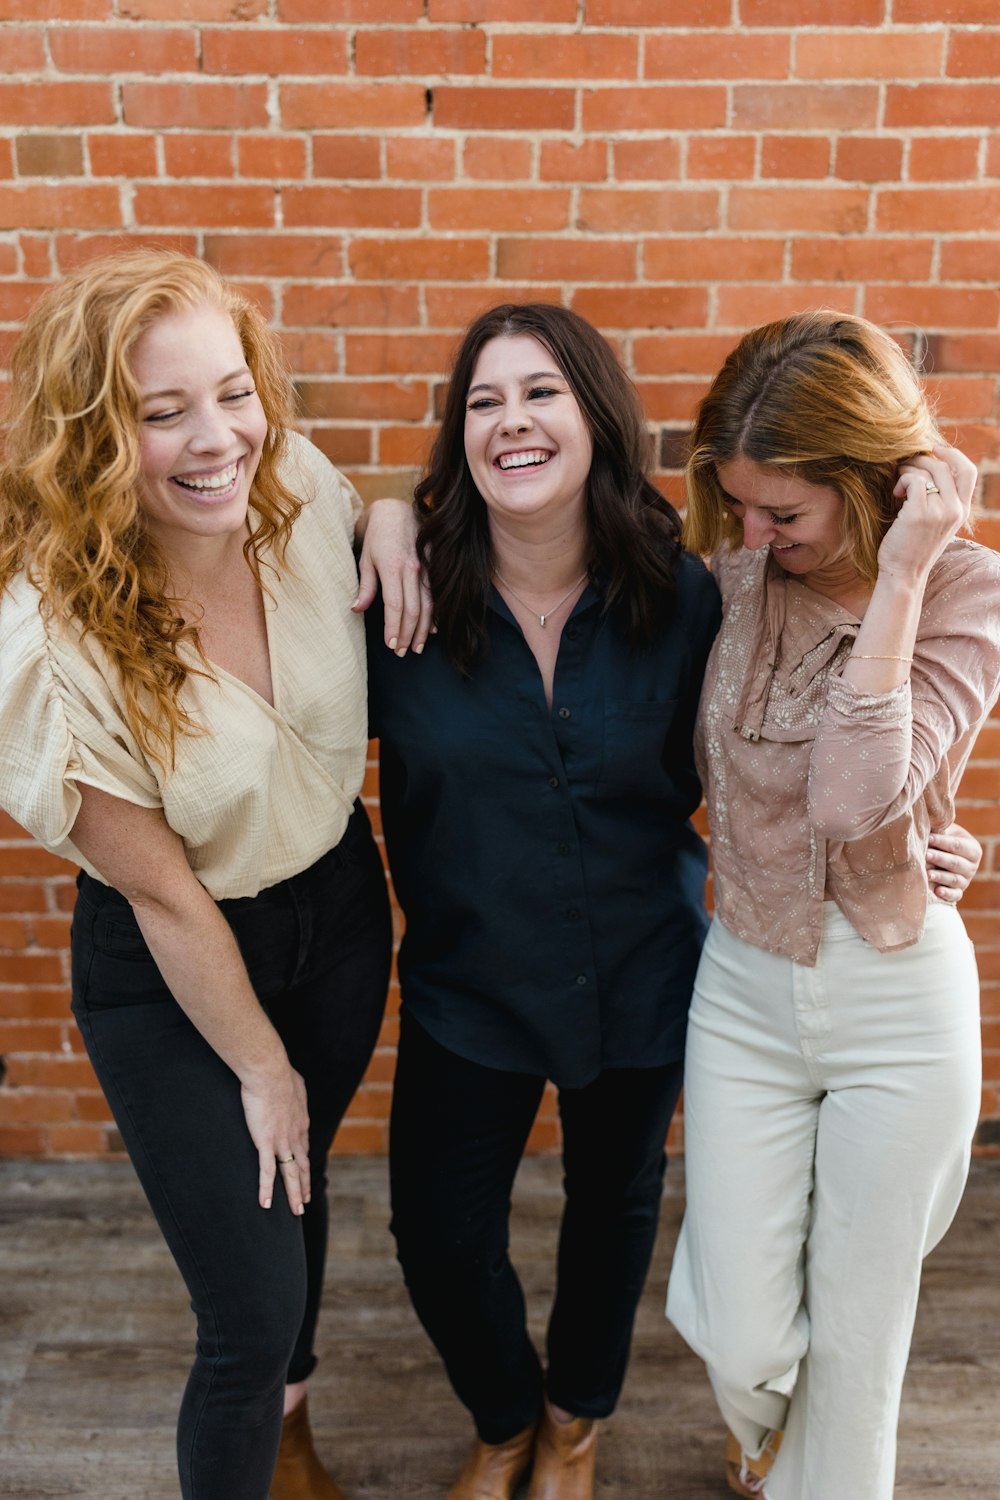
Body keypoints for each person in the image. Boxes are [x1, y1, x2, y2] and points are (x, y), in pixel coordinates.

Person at [0, 249, 428, 1500]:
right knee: (243, 1318)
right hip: (175, 964)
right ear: (90, 435)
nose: (216, 439)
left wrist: (397, 512)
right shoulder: (47, 638)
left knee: (294, 1202)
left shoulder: (292, 487)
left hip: (342, 915)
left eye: (231, 393)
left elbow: (375, 512)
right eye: (160, 410)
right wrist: (259, 1064)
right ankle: (265, 1411)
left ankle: (290, 1437)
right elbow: (165, 892)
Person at [365, 301, 722, 1500]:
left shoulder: (683, 602)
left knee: (612, 1211)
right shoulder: (398, 606)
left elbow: (773, 753)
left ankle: (574, 1426)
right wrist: (375, 517)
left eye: (539, 394)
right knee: (437, 1231)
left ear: (595, 420)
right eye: (482, 400)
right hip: (472, 982)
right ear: (457, 434)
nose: (509, 421)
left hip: (641, 966)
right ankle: (505, 1413)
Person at [664, 311, 1000, 1500]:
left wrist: (902, 570)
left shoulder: (961, 590)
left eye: (785, 515)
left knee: (858, 1356)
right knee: (745, 1331)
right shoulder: (735, 574)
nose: (751, 536)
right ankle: (762, 1444)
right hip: (743, 981)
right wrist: (394, 517)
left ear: (875, 486)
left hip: (894, 1000)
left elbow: (858, 802)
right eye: (740, 506)